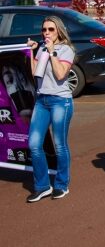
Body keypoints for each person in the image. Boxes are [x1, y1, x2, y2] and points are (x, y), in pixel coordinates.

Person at [26, 16, 75, 203]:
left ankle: (61, 185)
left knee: (60, 145)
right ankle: (43, 186)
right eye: (44, 30)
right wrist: (32, 52)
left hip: (60, 101)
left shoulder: (66, 50)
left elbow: (61, 74)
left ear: (59, 31)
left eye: (51, 29)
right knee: (34, 144)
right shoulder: (41, 48)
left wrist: (53, 53)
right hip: (42, 100)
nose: (46, 33)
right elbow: (34, 73)